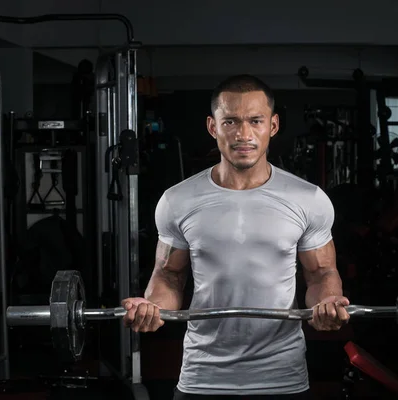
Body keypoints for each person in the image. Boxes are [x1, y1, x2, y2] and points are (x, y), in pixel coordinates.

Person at [122, 75, 350, 398]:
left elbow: (321, 274)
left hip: (281, 377)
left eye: (255, 121)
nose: (243, 134)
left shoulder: (307, 199)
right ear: (213, 127)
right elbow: (170, 277)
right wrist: (153, 309)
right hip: (203, 377)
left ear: (272, 126)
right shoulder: (178, 200)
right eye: (230, 121)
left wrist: (326, 304)